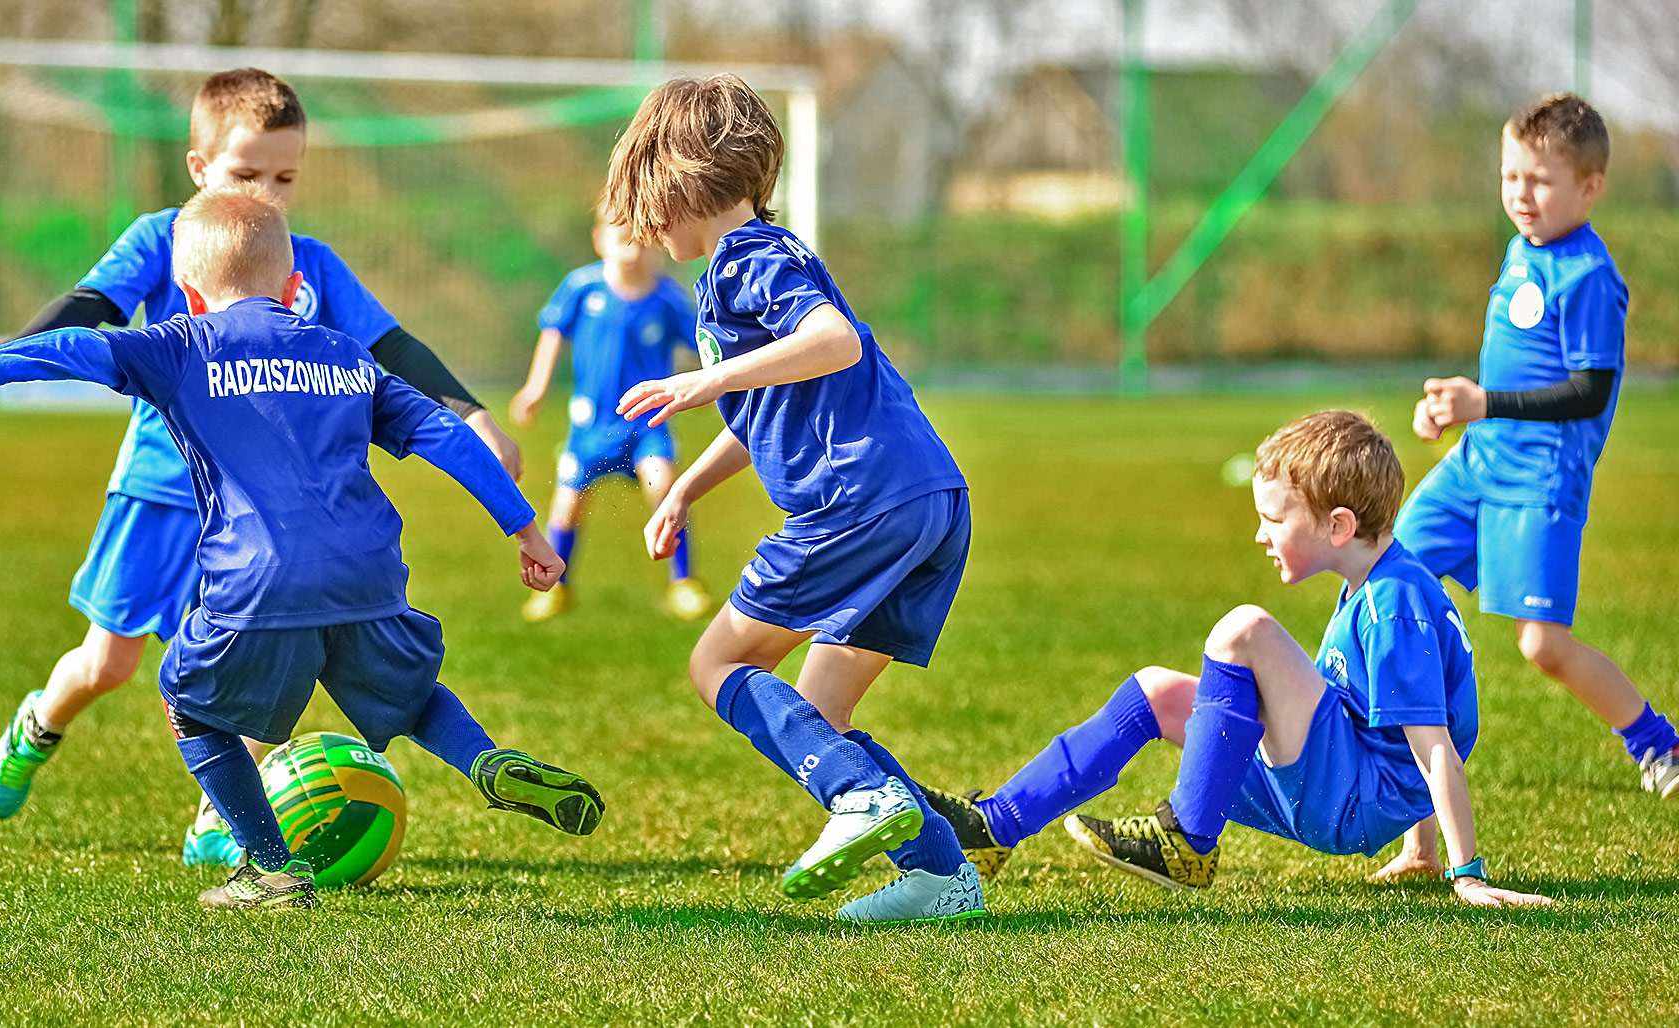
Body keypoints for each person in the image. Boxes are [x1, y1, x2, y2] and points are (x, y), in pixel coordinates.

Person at [0, 184, 601, 910]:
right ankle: (488, 763)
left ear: (189, 295)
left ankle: (272, 871)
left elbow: (86, 345)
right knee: (412, 698)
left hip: (256, 575)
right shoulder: (347, 356)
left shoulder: (181, 343)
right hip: (368, 572)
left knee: (187, 703)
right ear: (296, 288)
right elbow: (447, 436)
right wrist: (527, 531)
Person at [0, 69, 525, 869]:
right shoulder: (165, 237)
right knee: (109, 663)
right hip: (158, 494)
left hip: (261, 511)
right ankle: (38, 725)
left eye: (285, 177)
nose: (268, 194)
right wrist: (9, 354)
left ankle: (215, 821)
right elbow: (92, 309)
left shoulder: (308, 263)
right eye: (246, 174)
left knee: (263, 662)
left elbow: (391, 348)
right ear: (199, 168)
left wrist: (472, 412)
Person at [601, 75, 983, 925]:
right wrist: (689, 488)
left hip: (856, 502)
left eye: (646, 198)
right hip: (929, 502)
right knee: (817, 710)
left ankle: (859, 798)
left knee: (718, 665)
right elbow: (772, 402)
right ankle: (940, 875)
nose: (645, 225)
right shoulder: (776, 253)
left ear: (679, 179)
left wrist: (706, 378)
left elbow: (832, 343)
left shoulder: (749, 260)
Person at [923, 412, 1550, 908]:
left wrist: (1466, 873)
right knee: (1157, 691)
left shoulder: (1394, 605)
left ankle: (1188, 841)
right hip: (1343, 783)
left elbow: (1429, 742)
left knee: (1245, 630)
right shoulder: (1377, 580)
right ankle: (993, 826)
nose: (1260, 535)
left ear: (1337, 526)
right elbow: (1397, 725)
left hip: (1349, 798)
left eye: (1274, 518)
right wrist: (1421, 853)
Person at [1401, 92, 1676, 804]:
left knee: (1542, 645)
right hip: (1476, 466)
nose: (1521, 194)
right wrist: (1451, 415)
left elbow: (1588, 391)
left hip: (1539, 481)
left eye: (1540, 180)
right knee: (1392, 584)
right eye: (1510, 176)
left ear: (1590, 187)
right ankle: (1413, 821)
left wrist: (1482, 404)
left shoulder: (1588, 277)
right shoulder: (1523, 248)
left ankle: (1656, 741)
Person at [508, 220, 712, 623]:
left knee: (666, 488)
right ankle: (557, 587)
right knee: (566, 507)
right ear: (599, 239)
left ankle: (683, 582)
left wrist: (713, 382)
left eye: (641, 241)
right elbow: (552, 334)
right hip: (591, 428)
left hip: (647, 425)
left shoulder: (667, 299)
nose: (633, 251)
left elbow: (701, 345)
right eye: (623, 240)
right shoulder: (582, 287)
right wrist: (535, 388)